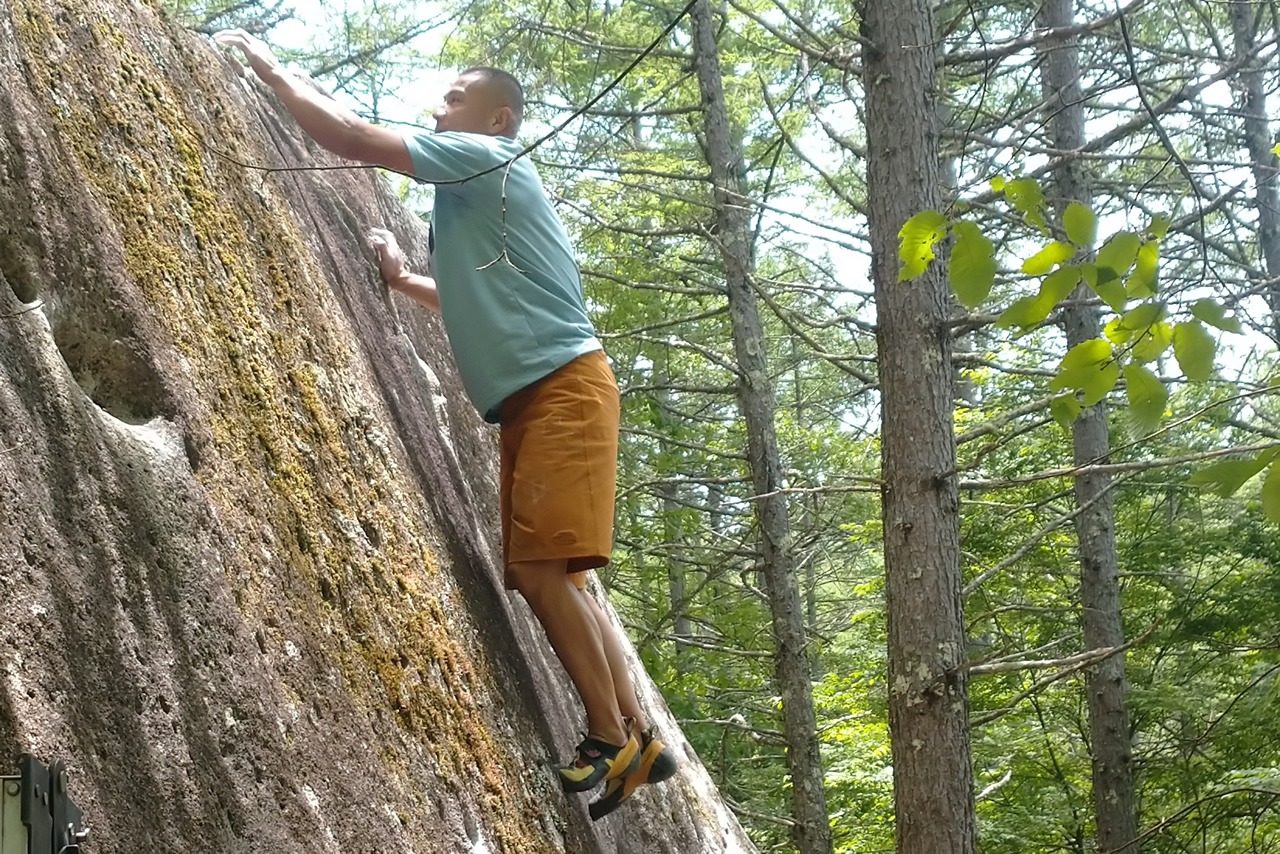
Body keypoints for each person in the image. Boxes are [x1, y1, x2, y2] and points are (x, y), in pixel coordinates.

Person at [213, 31, 676, 818]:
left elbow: (350, 137)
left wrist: (269, 64)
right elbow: (476, 297)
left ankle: (610, 736)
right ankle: (639, 736)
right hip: (545, 392)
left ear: (497, 120)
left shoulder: (486, 159)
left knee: (538, 574)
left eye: (456, 96)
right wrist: (403, 279)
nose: (438, 104)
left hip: (561, 388)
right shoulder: (476, 191)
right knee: (563, 575)